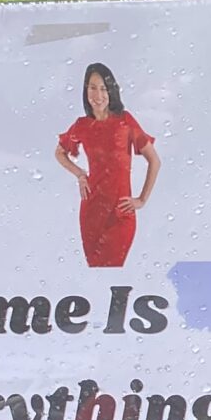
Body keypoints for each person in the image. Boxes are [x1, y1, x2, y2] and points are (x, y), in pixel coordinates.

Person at [55, 63, 158, 270]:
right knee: (96, 272)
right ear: (86, 91)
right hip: (91, 211)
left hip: (121, 212)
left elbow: (154, 161)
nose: (98, 95)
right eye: (92, 88)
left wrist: (141, 199)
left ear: (111, 91)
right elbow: (60, 152)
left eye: (103, 88)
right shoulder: (81, 125)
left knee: (113, 268)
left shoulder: (125, 121)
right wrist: (80, 174)